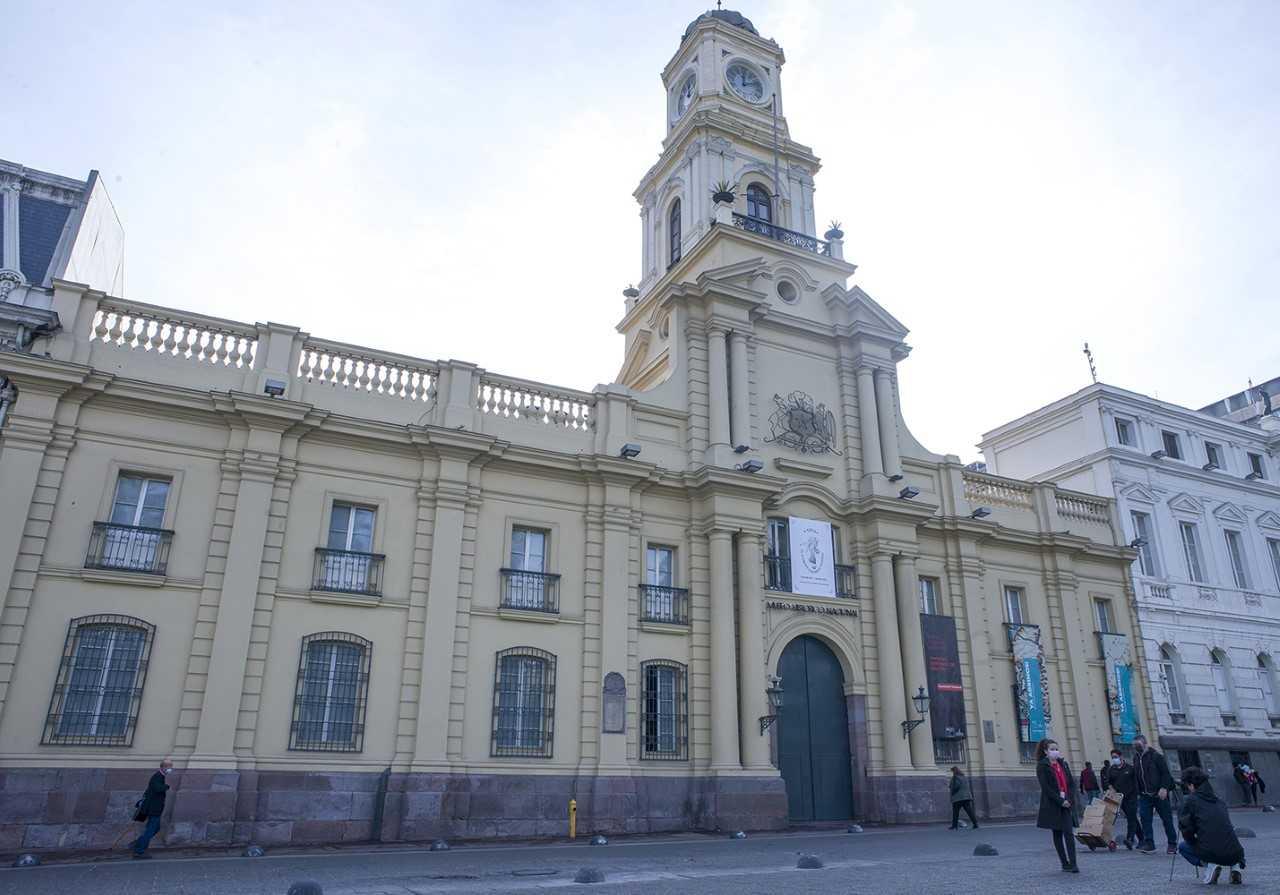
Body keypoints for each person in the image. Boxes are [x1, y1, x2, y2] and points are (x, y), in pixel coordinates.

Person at [1177, 766, 1246, 885]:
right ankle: (1235, 868)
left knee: (1183, 847)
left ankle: (1210, 864)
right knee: (1226, 840)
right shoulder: (1219, 801)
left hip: (1211, 851)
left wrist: (1193, 842)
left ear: (1192, 785)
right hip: (1236, 853)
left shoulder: (1191, 800)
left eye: (1187, 786)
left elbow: (1187, 829)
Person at [1035, 738, 1079, 873]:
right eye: (1052, 749)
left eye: (1056, 749)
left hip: (1067, 803)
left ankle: (1073, 863)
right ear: (1045, 751)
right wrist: (1061, 801)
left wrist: (1070, 799)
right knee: (1057, 833)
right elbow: (1046, 788)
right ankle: (1064, 863)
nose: (1055, 751)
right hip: (1053, 804)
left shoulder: (1063, 764)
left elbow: (1071, 783)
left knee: (1069, 833)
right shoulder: (1042, 766)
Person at [1132, 734, 1177, 854]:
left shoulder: (1156, 756)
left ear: (1145, 744)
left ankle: (1172, 844)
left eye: (1138, 745)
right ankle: (1149, 843)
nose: (1136, 747)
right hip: (1144, 795)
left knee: (1166, 819)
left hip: (1159, 794)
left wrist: (1164, 788)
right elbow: (1136, 776)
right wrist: (1138, 791)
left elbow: (1165, 774)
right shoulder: (1136, 758)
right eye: (1134, 745)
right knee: (1145, 819)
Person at [131, 758, 173, 859]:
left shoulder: (160, 776)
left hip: (155, 808)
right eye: (169, 766)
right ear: (163, 767)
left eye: (171, 766)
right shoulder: (157, 776)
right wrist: (166, 787)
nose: (170, 768)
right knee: (151, 829)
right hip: (154, 808)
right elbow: (157, 788)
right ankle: (139, 850)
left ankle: (139, 843)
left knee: (155, 828)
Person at [1101, 748, 1139, 849]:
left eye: (1116, 757)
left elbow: (1136, 781)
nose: (1114, 759)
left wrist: (1138, 793)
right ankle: (1143, 839)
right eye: (1113, 757)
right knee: (1133, 818)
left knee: (1131, 817)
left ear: (1121, 757)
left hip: (1131, 797)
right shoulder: (1111, 769)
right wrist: (1111, 788)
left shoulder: (1130, 768)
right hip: (1119, 798)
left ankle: (1130, 839)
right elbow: (1108, 782)